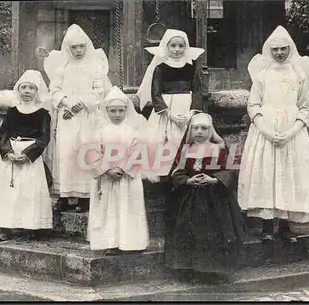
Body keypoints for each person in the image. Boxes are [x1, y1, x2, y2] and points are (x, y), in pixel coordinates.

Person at [237, 25, 309, 242]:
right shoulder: (262, 75)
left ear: (290, 49)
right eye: (275, 50)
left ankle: (284, 225)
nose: (280, 53)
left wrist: (292, 131)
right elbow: (253, 105)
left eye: (284, 49)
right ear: (269, 50)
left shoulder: (298, 74)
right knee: (267, 174)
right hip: (265, 130)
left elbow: (305, 107)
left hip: (291, 133)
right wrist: (266, 131)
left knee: (288, 173)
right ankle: (267, 225)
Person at [164, 113, 247, 281]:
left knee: (216, 232)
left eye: (204, 128)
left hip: (215, 199)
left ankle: (215, 271)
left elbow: (230, 171)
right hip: (190, 199)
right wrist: (188, 180)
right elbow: (176, 172)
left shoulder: (220, 149)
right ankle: (191, 270)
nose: (199, 132)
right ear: (190, 130)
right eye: (195, 128)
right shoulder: (186, 150)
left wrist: (214, 179)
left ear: (211, 130)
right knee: (189, 232)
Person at [48, 24, 112, 213]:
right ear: (68, 48)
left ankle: (85, 196)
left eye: (81, 47)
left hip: (86, 116)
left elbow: (99, 92)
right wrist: (65, 104)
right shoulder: (62, 68)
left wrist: (81, 104)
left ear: (87, 46)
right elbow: (54, 91)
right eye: (74, 47)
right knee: (66, 154)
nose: (78, 51)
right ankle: (65, 195)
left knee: (84, 152)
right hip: (67, 117)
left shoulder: (95, 67)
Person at [0, 70, 52, 242]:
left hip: (29, 156)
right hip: (11, 155)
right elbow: (4, 134)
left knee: (30, 190)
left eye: (31, 88)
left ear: (38, 91)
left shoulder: (43, 114)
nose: (27, 91)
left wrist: (28, 154)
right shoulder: (12, 112)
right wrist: (7, 152)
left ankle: (31, 226)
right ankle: (5, 227)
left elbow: (44, 138)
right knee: (7, 190)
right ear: (18, 90)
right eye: (23, 87)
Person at [85, 86, 152, 255]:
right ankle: (111, 243)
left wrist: (122, 168)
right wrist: (107, 170)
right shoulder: (99, 131)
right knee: (110, 211)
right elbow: (93, 153)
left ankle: (132, 243)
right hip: (108, 178)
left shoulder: (133, 130)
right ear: (106, 111)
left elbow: (139, 152)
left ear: (126, 110)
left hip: (127, 178)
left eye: (120, 111)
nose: (117, 115)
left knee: (128, 209)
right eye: (113, 111)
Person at [137, 29, 205, 177]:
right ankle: (164, 177)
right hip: (167, 112)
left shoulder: (191, 68)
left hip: (186, 110)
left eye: (181, 46)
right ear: (166, 47)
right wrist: (170, 115)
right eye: (173, 45)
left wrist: (192, 113)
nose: (177, 49)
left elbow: (198, 91)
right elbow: (156, 94)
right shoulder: (160, 69)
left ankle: (184, 173)